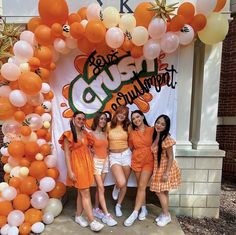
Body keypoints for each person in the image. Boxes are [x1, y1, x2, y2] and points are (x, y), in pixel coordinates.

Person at [59, 111, 104, 232]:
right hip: (77, 166)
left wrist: (91, 151)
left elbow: (88, 147)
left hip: (87, 164)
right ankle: (92, 221)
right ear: (73, 119)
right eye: (79, 118)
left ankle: (78, 216)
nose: (81, 121)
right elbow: (67, 155)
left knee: (81, 192)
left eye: (83, 119)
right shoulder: (68, 135)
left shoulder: (85, 133)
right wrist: (70, 171)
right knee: (86, 192)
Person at [124, 110, 154, 226]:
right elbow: (130, 147)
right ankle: (144, 208)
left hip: (148, 161)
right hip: (136, 161)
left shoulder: (152, 130)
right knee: (140, 187)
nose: (136, 120)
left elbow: (162, 137)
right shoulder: (132, 133)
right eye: (134, 119)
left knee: (141, 186)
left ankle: (134, 213)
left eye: (138, 117)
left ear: (142, 116)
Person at [150, 114, 181, 227]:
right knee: (164, 192)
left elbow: (171, 157)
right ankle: (165, 214)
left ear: (166, 127)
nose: (159, 125)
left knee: (159, 192)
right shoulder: (155, 136)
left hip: (165, 168)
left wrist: (166, 173)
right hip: (158, 167)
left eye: (162, 124)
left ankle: (166, 215)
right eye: (158, 122)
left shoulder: (166, 139)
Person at [90, 112, 117, 226]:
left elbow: (106, 147)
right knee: (101, 188)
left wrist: (107, 152)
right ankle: (106, 214)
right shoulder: (90, 134)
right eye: (101, 118)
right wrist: (92, 154)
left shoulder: (105, 133)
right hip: (96, 163)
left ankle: (96, 209)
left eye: (105, 119)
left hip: (105, 162)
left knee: (99, 188)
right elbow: (87, 149)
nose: (103, 121)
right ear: (96, 120)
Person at [107, 105, 131, 217]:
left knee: (124, 183)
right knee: (121, 182)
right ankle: (116, 186)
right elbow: (103, 140)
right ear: (116, 113)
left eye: (124, 114)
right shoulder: (108, 126)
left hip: (126, 155)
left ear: (126, 117)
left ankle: (118, 205)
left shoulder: (128, 127)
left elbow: (134, 138)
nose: (122, 115)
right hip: (114, 156)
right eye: (120, 113)